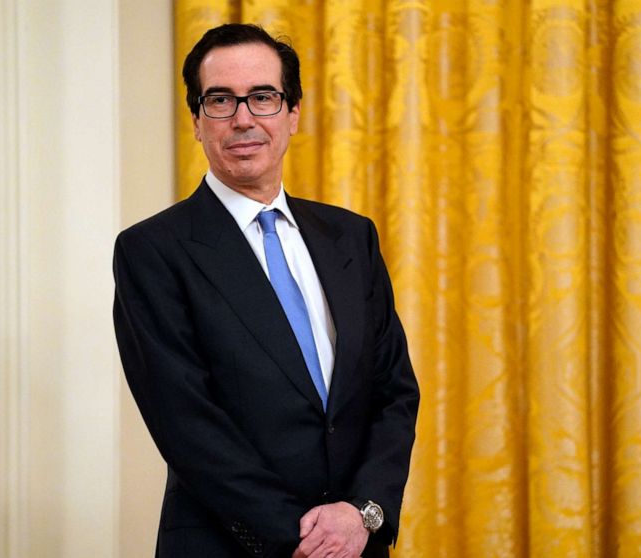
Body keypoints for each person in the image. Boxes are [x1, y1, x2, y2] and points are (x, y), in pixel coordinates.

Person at [113, 23, 419, 558]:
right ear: (195, 121)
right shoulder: (152, 251)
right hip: (230, 545)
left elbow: (393, 392)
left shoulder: (351, 236)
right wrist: (304, 539)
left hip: (355, 544)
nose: (243, 119)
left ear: (293, 113)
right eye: (220, 101)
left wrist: (363, 512)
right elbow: (187, 424)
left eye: (263, 97)